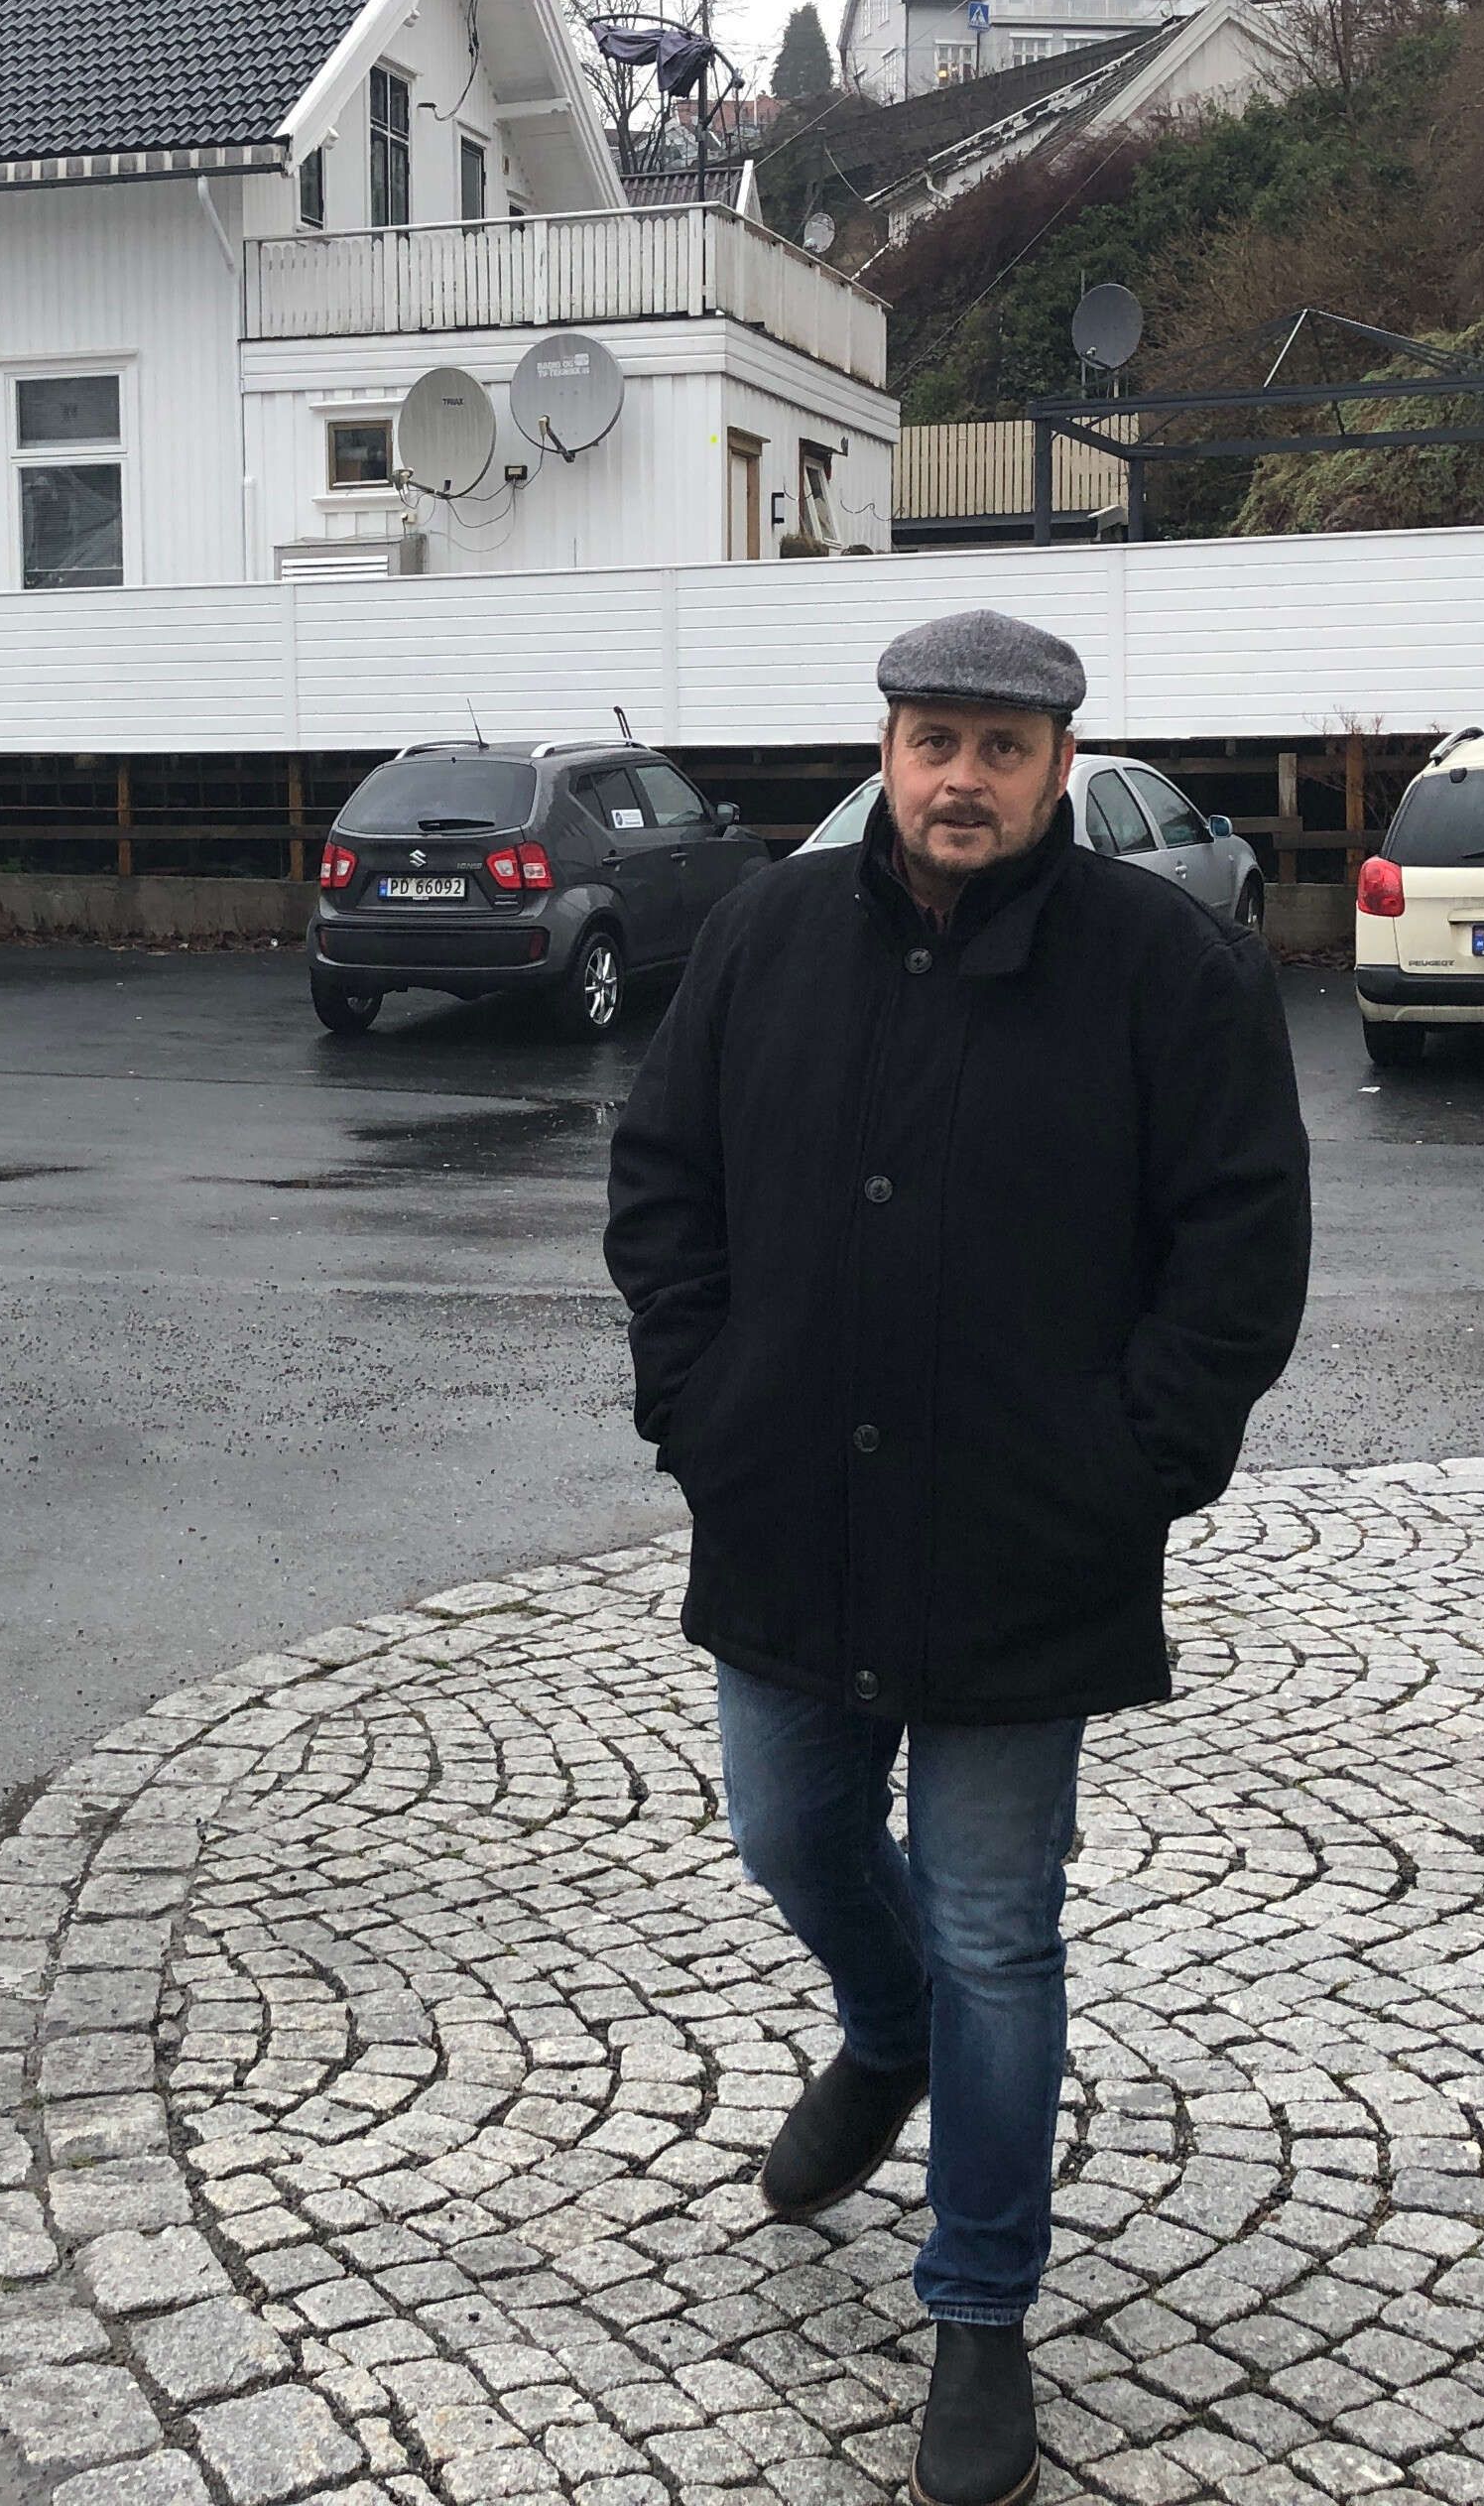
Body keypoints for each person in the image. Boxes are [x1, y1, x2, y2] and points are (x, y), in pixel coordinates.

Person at [603, 609, 1312, 2506]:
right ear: (887, 753)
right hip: (790, 1511)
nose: (963, 780)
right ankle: (885, 2029)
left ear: (1061, 765)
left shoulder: (1169, 968)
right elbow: (664, 1180)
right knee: (787, 1834)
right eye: (935, 742)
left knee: (1000, 1929)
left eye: (1003, 749)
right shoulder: (765, 935)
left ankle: (980, 2308)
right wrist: (701, 1405)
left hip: (1028, 1543)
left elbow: (1242, 1246)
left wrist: (1130, 1469)